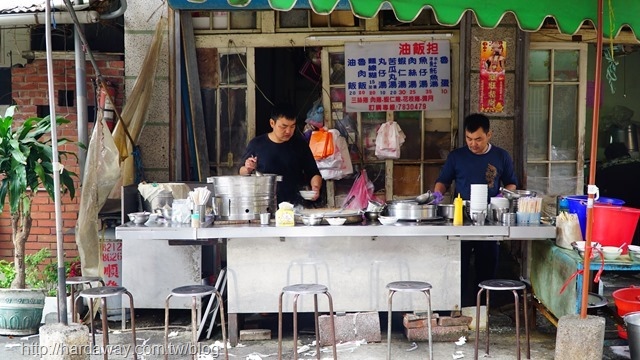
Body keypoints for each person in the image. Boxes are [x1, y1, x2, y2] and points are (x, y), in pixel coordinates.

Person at [433, 113, 518, 306]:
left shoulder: (501, 156)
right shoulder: (457, 157)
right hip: (460, 220)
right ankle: (459, 308)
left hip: (491, 221)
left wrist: (502, 197)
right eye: (469, 139)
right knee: (458, 267)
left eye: (478, 139)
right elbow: (443, 181)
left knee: (486, 269)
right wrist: (437, 197)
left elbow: (512, 183)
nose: (473, 144)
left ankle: (484, 310)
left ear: (489, 135)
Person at [239, 103, 322, 204]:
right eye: (284, 126)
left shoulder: (300, 144)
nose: (288, 131)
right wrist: (248, 168)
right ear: (272, 123)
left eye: (292, 127)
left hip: (296, 204)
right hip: (265, 203)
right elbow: (241, 171)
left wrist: (315, 187)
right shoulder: (257, 144)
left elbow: (313, 172)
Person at [596, 142, 640, 208]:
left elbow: (597, 191)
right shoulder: (638, 164)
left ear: (608, 156)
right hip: (637, 203)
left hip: (617, 205)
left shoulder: (605, 169)